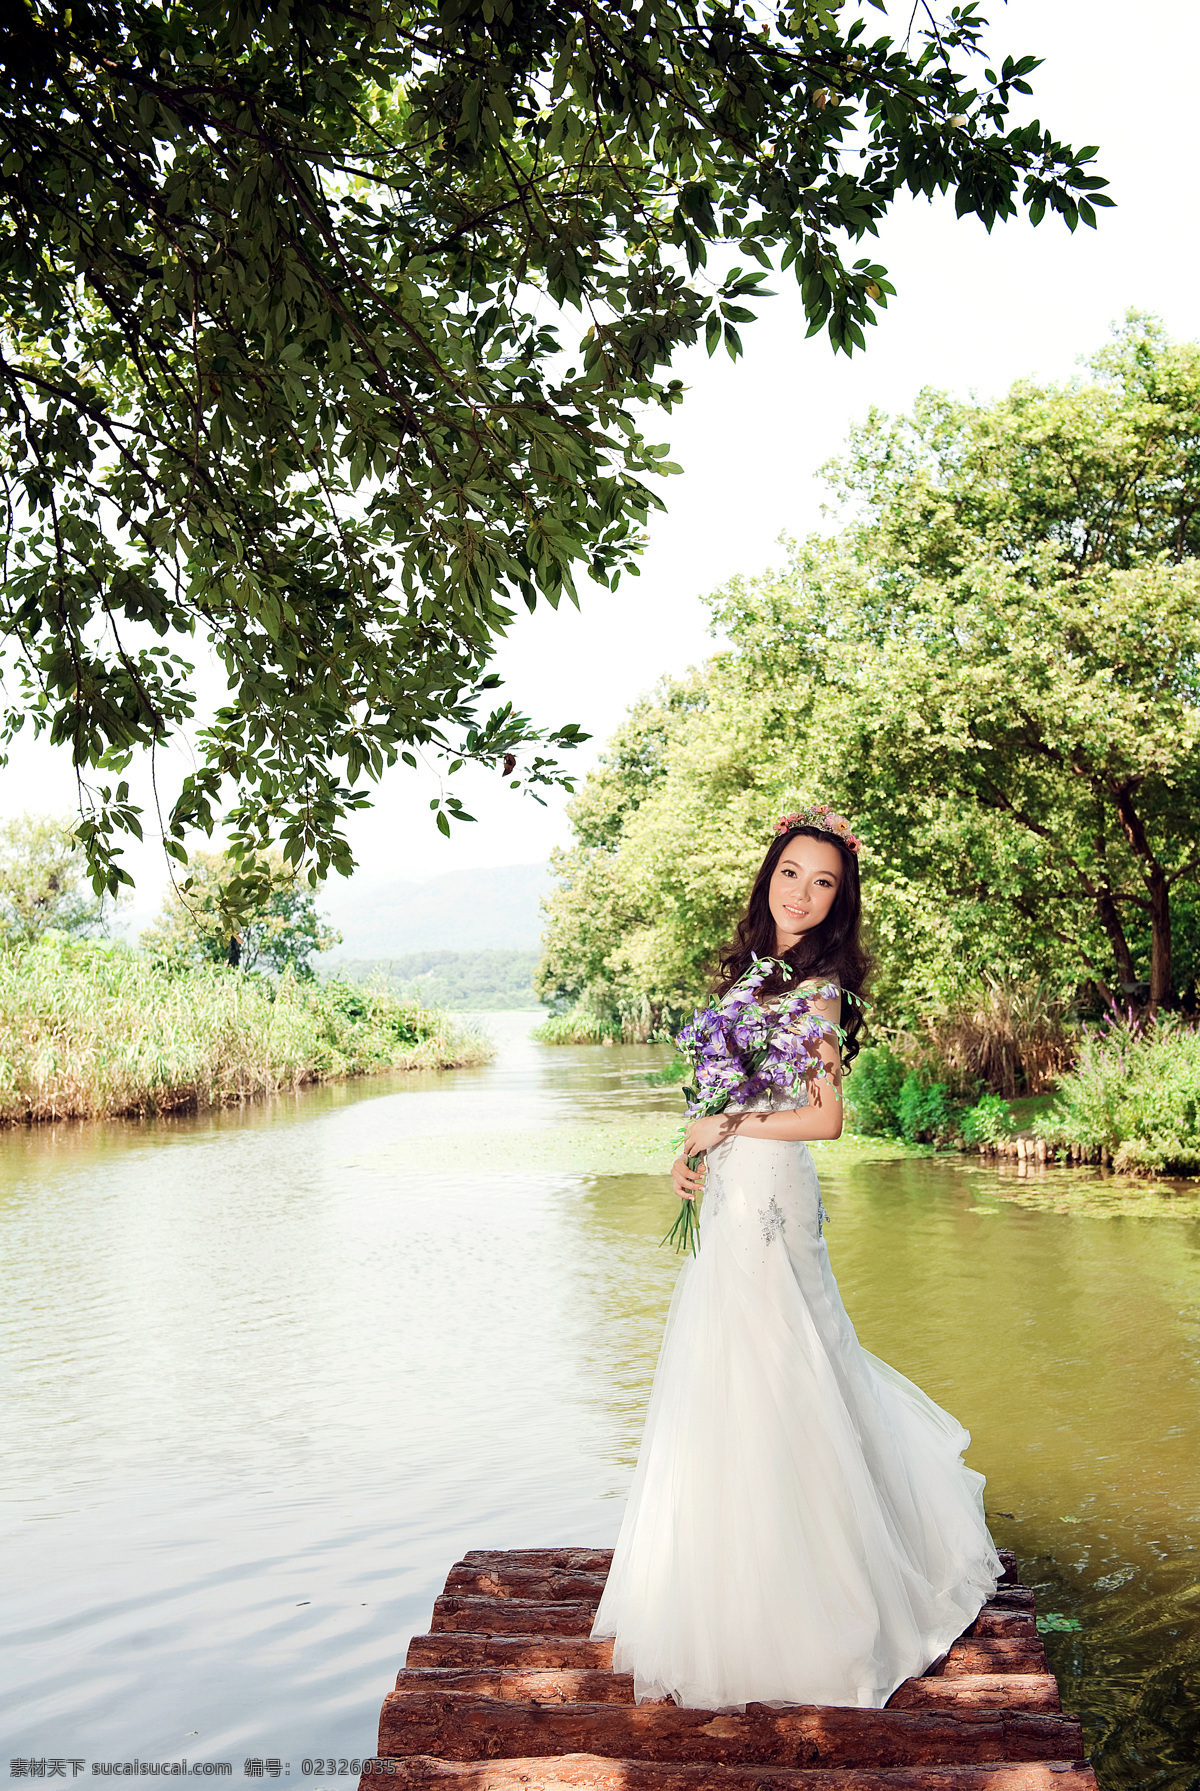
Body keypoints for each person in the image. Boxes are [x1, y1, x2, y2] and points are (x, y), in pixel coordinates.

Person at [591, 805, 1001, 1711]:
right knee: (728, 1370)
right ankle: (726, 1565)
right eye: (791, 874)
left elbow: (824, 1118)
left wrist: (725, 1125)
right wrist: (692, 1151)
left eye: (824, 882)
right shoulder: (750, 974)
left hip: (777, 1193)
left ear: (839, 899)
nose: (804, 893)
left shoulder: (817, 990)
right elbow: (724, 1091)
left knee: (788, 1365)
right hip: (735, 1185)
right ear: (767, 875)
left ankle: (819, 1593)